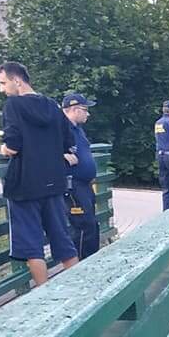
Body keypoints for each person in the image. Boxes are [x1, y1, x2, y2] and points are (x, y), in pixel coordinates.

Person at [0, 61, 78, 286]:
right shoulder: (52, 106)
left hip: (24, 186)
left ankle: (45, 296)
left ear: (17, 81)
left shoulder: (13, 106)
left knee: (33, 247)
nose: (2, 89)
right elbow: (68, 141)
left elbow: (12, 145)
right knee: (63, 242)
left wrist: (3, 149)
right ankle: (81, 292)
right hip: (53, 182)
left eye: (3, 83)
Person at [60, 92, 100, 260]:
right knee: (83, 227)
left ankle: (92, 263)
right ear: (75, 110)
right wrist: (60, 156)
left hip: (84, 185)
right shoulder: (60, 128)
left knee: (91, 225)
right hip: (73, 186)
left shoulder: (78, 129)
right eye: (85, 109)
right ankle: (82, 269)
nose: (88, 113)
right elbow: (41, 149)